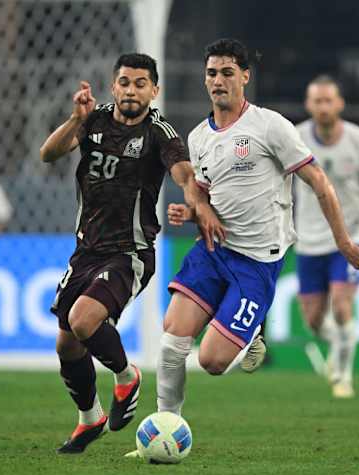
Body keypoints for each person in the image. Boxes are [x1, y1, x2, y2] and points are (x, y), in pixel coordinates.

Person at [146, 39, 359, 428]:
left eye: (227, 73)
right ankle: (163, 426)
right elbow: (209, 200)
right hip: (212, 250)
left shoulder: (270, 126)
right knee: (173, 336)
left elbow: (319, 182)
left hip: (257, 261)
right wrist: (192, 212)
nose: (218, 81)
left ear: (245, 76)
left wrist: (344, 242)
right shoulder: (198, 138)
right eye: (211, 73)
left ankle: (254, 328)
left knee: (212, 362)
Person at [39, 53, 221, 454]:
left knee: (83, 320)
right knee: (67, 346)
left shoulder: (160, 134)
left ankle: (126, 376)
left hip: (129, 252)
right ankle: (90, 419)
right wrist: (74, 119)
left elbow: (183, 173)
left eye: (141, 83)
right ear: (114, 86)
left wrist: (197, 203)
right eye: (125, 82)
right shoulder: (94, 120)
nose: (132, 90)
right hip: (84, 251)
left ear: (154, 90)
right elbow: (48, 154)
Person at [292, 75, 359, 398]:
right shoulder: (296, 137)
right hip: (308, 239)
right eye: (316, 101)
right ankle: (339, 342)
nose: (323, 107)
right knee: (313, 320)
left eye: (328, 100)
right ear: (309, 105)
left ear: (340, 104)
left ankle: (343, 378)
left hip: (351, 237)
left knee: (342, 304)